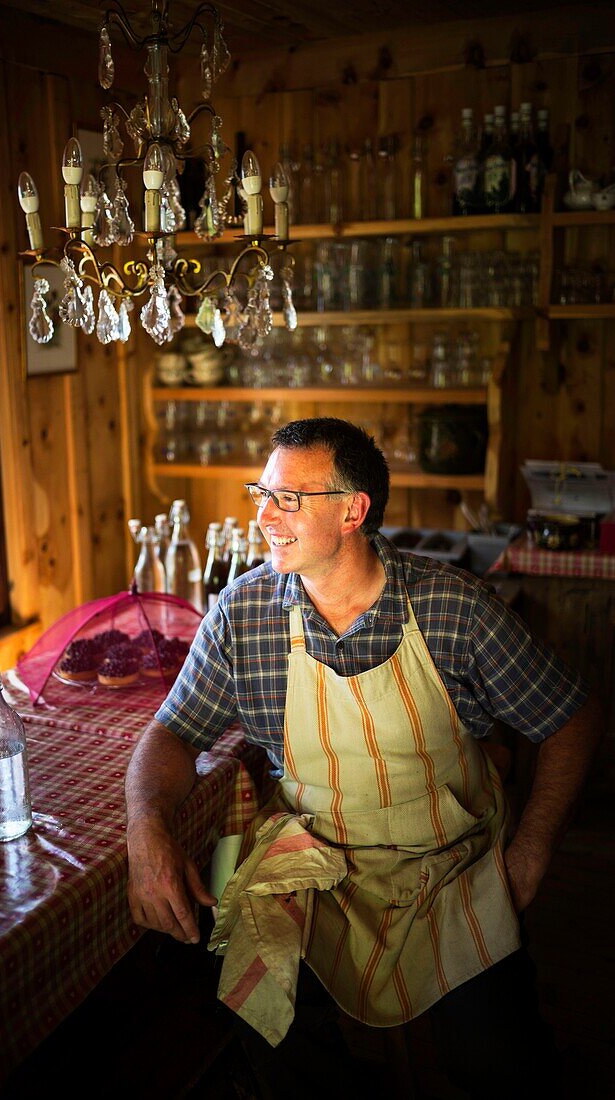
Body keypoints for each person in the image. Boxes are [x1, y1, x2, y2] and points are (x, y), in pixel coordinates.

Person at [125, 417, 601, 1097]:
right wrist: (145, 829)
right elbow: (170, 735)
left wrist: (530, 850)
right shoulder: (243, 612)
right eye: (262, 492)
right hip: (309, 857)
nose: (263, 515)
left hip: (447, 861)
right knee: (258, 1008)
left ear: (353, 511)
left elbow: (571, 719)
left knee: (502, 1063)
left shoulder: (450, 608)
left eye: (289, 498)